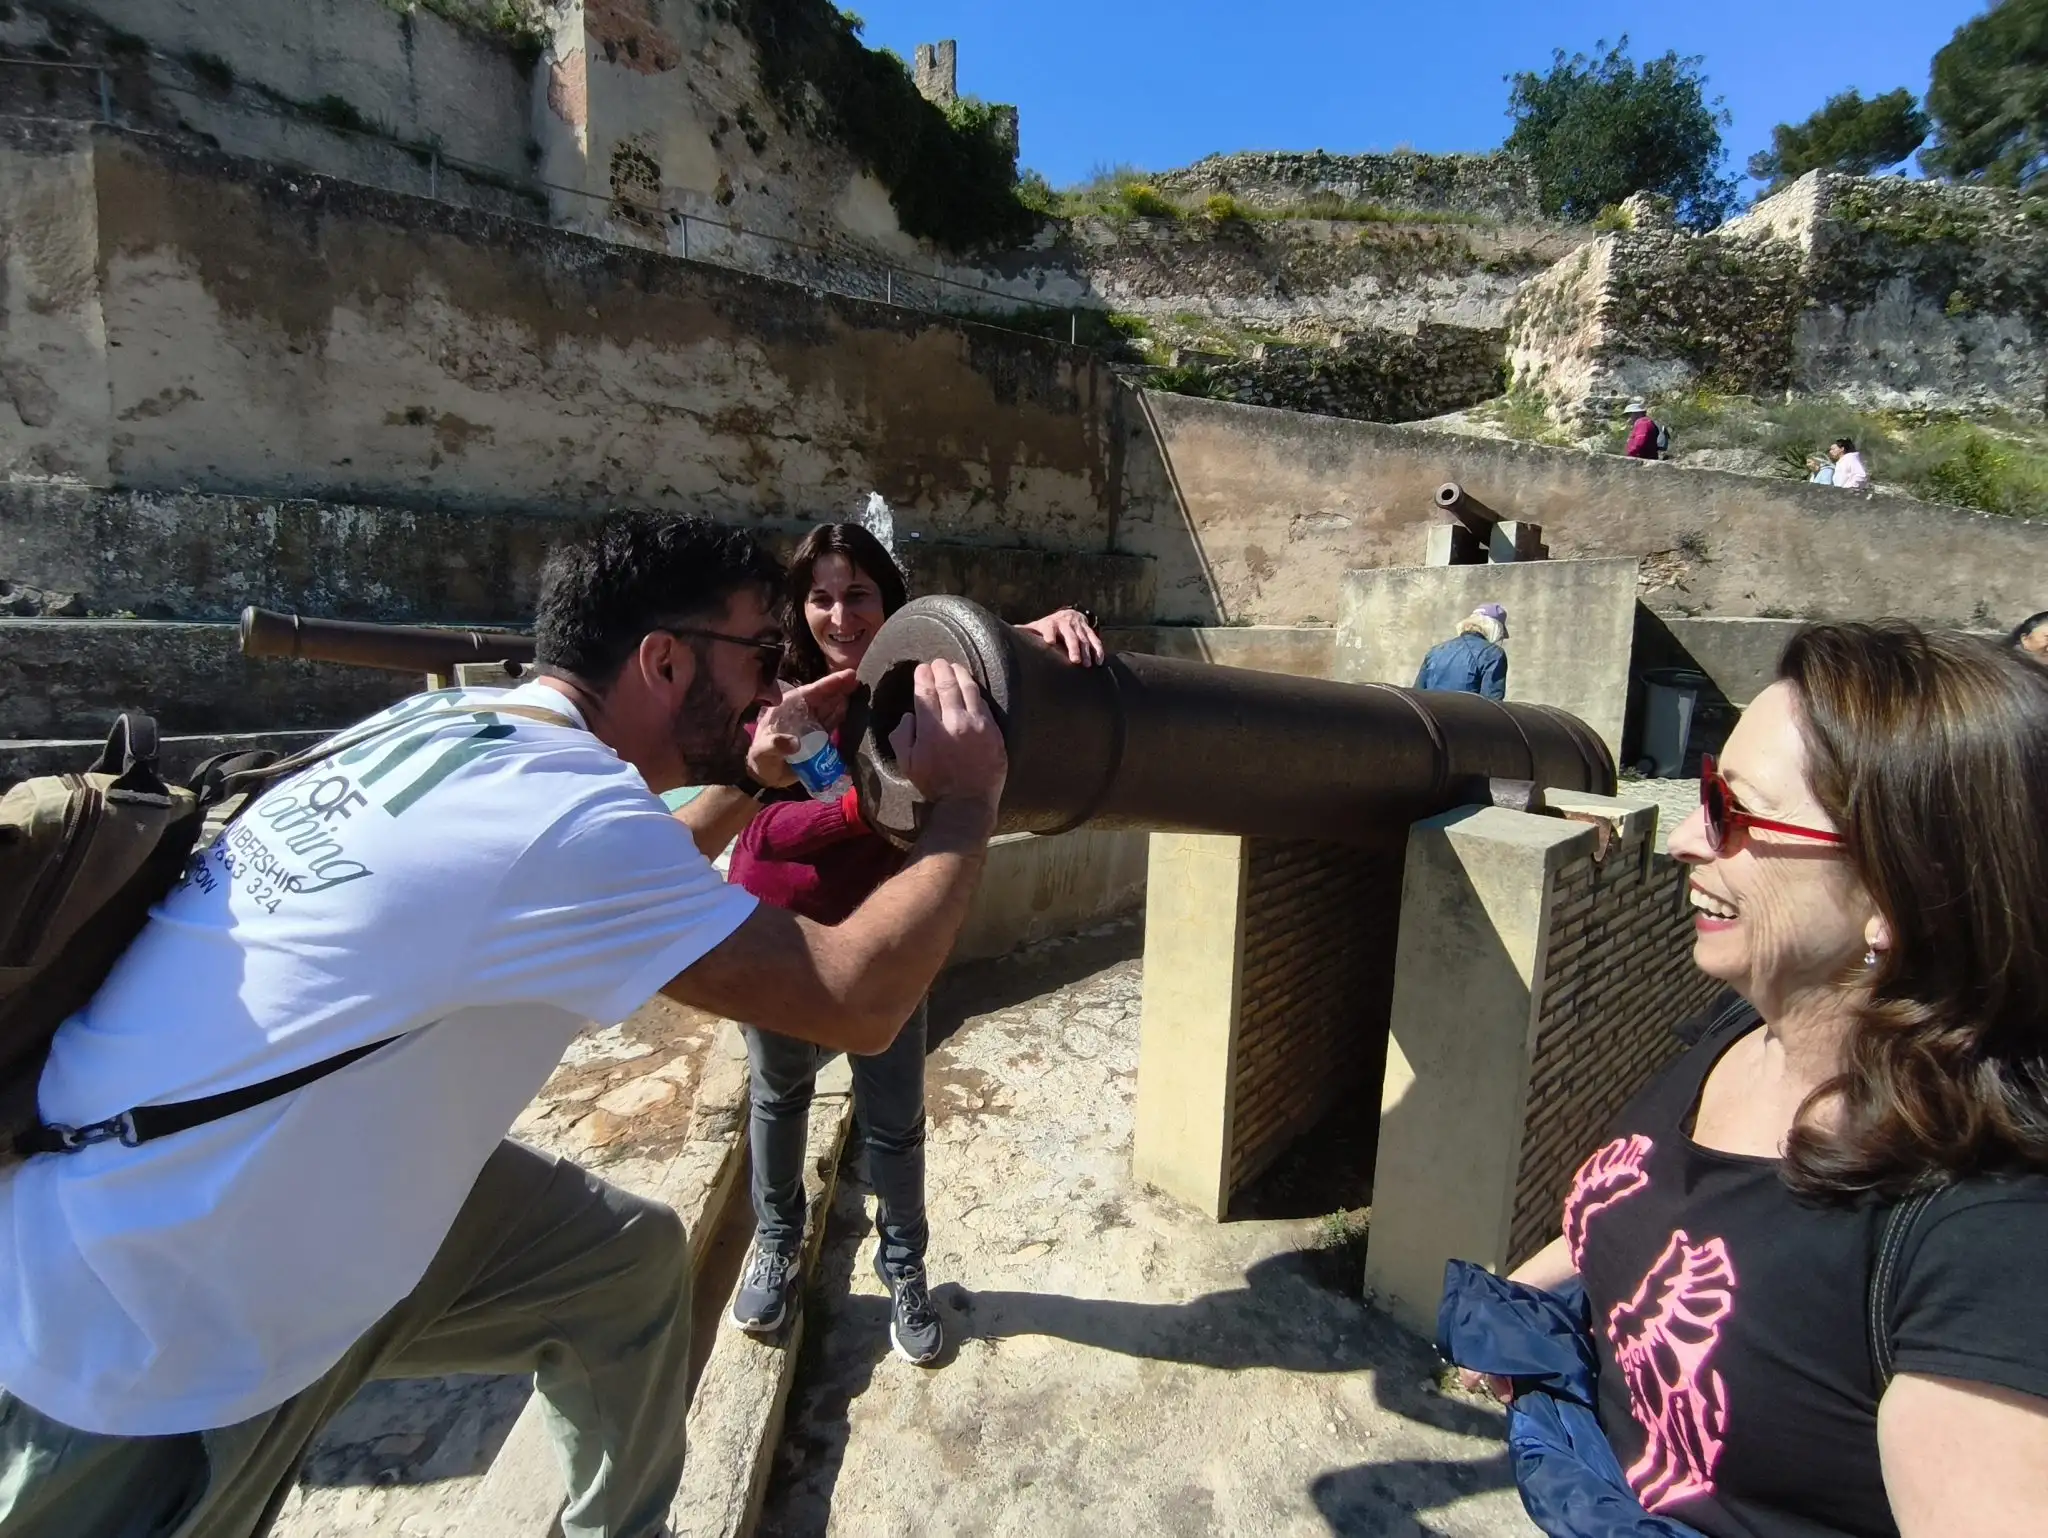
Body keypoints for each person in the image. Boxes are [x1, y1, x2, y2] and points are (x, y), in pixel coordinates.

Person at [0, 513, 1009, 1538]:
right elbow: (856, 1001)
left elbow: (621, 858)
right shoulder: (566, 819)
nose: (771, 681)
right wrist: (968, 799)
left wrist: (750, 777)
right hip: (139, 1325)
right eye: (758, 650)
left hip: (221, 1174)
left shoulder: (452, 723)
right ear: (664, 660)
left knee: (621, 1267)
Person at [1453, 622, 2048, 1536]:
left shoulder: (1984, 1241)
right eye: (1705, 792)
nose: (1686, 840)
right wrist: (1523, 1306)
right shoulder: (1751, 1025)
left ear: (1896, 892)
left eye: (1734, 812)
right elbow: (1638, 1204)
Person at [678, 522, 1104, 1366]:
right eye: (822, 598)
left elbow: (982, 654)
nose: (840, 616)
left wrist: (1044, 633)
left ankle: (904, 1266)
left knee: (897, 1120)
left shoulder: (910, 682)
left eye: (859, 594)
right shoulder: (776, 696)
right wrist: (863, 808)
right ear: (801, 608)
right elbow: (763, 835)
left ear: (889, 600)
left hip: (883, 934)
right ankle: (777, 1241)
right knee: (779, 1097)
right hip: (781, 932)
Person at [1414, 604, 1508, 701]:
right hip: (1467, 711)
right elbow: (1491, 701)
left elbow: (1416, 695)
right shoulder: (1492, 653)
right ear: (1495, 628)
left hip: (1429, 710)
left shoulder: (1435, 651)